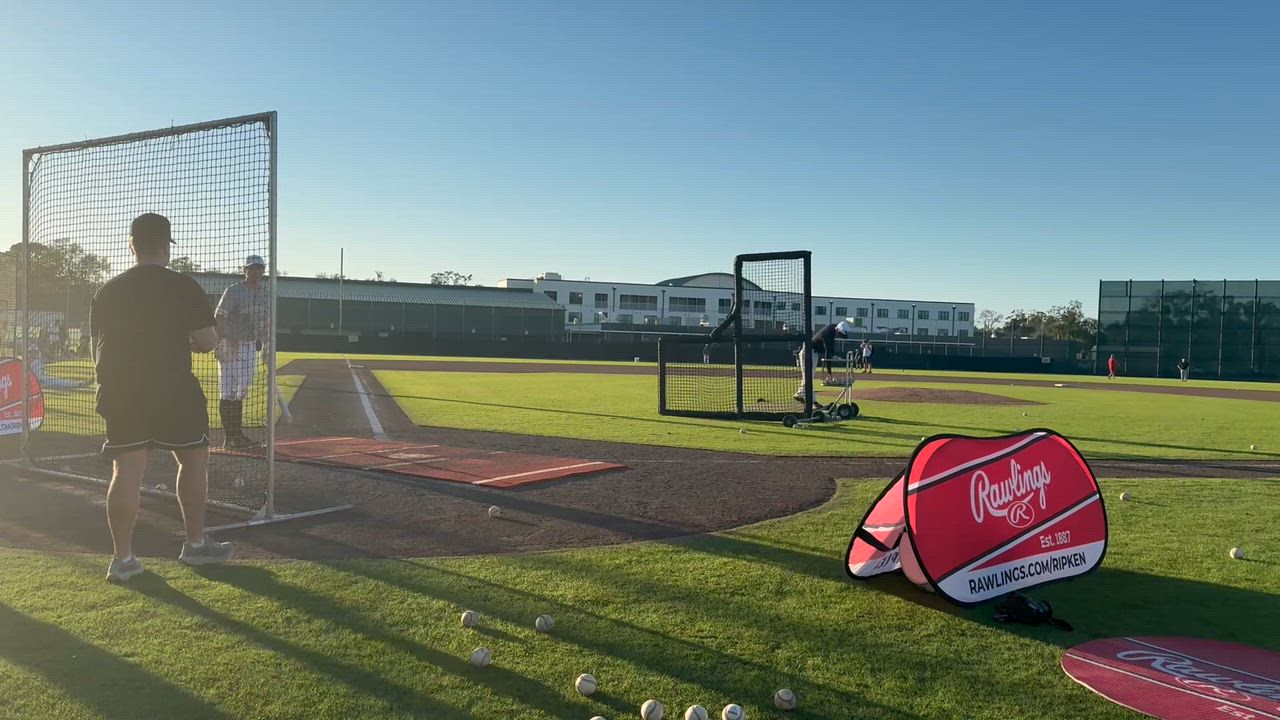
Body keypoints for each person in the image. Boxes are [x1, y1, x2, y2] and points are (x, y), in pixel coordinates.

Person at [90, 213, 232, 582]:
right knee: (193, 460)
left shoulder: (107, 290)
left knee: (126, 471)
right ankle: (195, 545)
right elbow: (207, 341)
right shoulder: (183, 285)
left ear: (132, 245)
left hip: (120, 390)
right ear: (166, 247)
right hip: (172, 389)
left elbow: (96, 349)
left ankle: (122, 560)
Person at [215, 254, 271, 450]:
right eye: (251, 268)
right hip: (231, 343)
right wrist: (223, 339)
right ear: (245, 270)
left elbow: (265, 321)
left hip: (250, 344)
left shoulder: (265, 293)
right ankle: (231, 438)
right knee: (228, 390)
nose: (256, 271)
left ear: (263, 271)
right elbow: (219, 316)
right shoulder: (234, 290)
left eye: (259, 268)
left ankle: (237, 435)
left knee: (242, 390)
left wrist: (266, 344)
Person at [795, 320, 854, 401]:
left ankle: (800, 394)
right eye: (840, 335)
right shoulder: (828, 334)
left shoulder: (833, 328)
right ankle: (812, 402)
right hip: (808, 352)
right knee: (808, 377)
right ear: (838, 331)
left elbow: (831, 349)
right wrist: (829, 373)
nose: (839, 337)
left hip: (813, 353)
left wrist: (833, 356)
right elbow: (827, 356)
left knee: (808, 377)